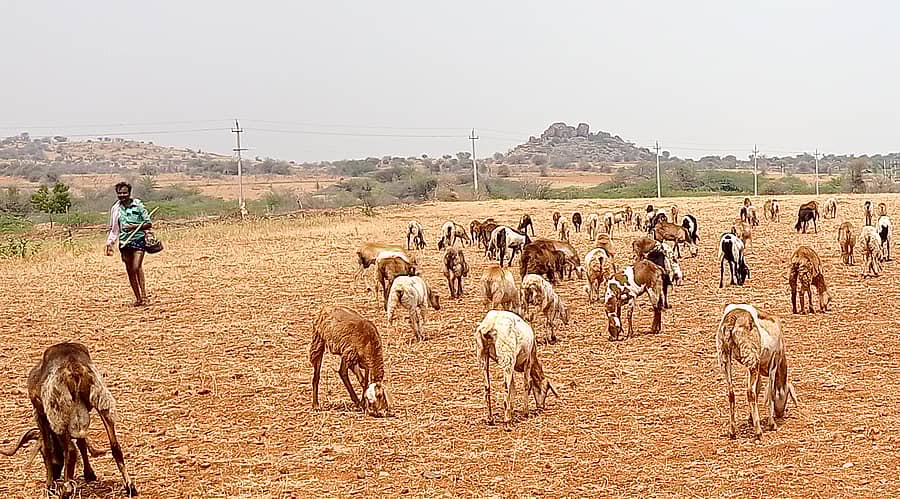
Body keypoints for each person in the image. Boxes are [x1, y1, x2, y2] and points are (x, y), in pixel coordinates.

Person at [105, 181, 152, 306]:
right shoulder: (116, 209)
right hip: (125, 243)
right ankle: (138, 298)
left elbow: (148, 223)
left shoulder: (138, 205)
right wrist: (110, 243)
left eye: (125, 192)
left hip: (138, 240)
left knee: (136, 267)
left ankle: (144, 295)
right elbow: (114, 229)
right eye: (119, 193)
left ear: (129, 193)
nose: (122, 195)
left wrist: (133, 227)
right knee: (130, 270)